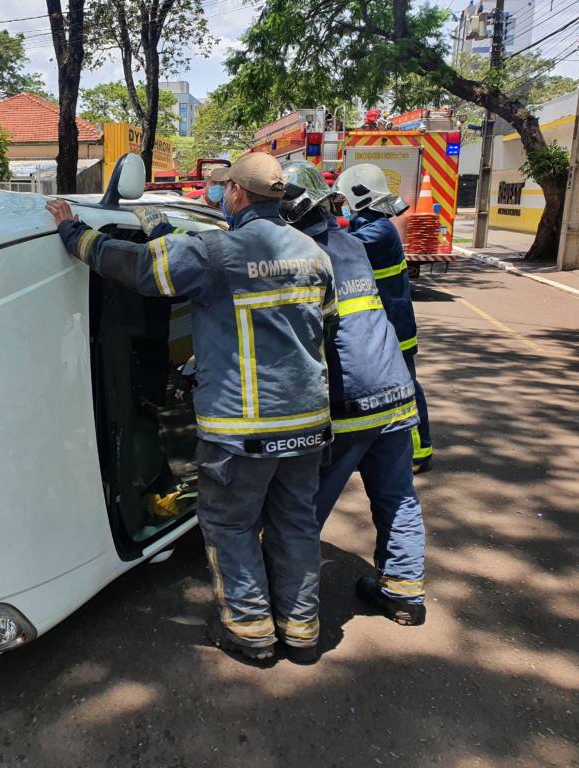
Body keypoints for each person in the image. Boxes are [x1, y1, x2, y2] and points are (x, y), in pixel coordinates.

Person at [46, 152, 338, 664]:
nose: (222, 194)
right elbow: (326, 325)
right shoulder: (313, 253)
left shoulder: (218, 252)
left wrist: (74, 235)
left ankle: (250, 632)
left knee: (231, 525)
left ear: (239, 195)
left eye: (226, 188)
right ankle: (301, 629)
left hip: (242, 429)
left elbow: (139, 268)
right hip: (309, 424)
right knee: (295, 524)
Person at [279, 160, 426, 627]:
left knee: (305, 505)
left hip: (349, 401)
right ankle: (403, 594)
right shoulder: (351, 244)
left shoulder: (304, 257)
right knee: (397, 495)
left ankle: (289, 605)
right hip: (395, 390)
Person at [336, 164, 434, 473]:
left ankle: (420, 451)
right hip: (387, 324)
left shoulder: (377, 231)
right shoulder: (371, 224)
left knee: (405, 388)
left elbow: (341, 246)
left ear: (357, 193)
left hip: (394, 327)